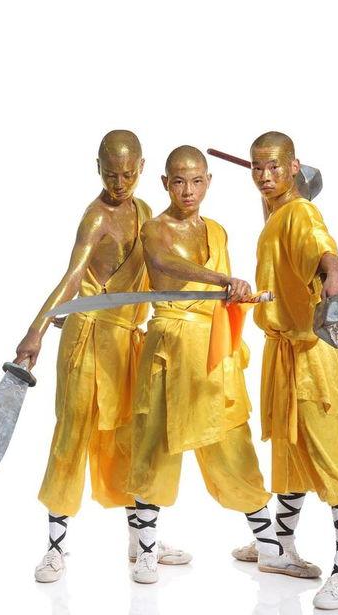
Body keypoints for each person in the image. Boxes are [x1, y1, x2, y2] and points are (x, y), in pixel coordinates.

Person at [129, 145, 320, 584]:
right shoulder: (154, 229)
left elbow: (232, 290)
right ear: (165, 183)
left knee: (235, 447)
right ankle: (145, 552)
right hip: (168, 351)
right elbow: (163, 262)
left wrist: (239, 295)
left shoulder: (217, 231)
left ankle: (270, 549)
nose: (188, 190)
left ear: (209, 182)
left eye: (197, 181)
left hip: (214, 354)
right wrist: (222, 280)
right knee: (154, 446)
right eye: (179, 181)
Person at [14, 130, 189, 583]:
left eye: (128, 174)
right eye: (111, 174)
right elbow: (73, 277)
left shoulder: (145, 211)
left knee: (135, 436)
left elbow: (161, 268)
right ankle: (55, 549)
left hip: (128, 341)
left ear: (143, 168)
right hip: (88, 340)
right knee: (71, 435)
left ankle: (141, 541)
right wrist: (36, 330)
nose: (119, 183)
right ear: (98, 168)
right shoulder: (96, 217)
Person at [232, 132, 338, 610]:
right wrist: (274, 192)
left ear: (295, 166)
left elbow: (320, 244)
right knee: (289, 450)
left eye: (274, 166)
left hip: (312, 356)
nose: (263, 175)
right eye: (256, 167)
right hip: (282, 351)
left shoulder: (300, 213)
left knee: (331, 457)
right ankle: (281, 545)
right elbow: (280, 227)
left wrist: (335, 274)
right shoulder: (278, 213)